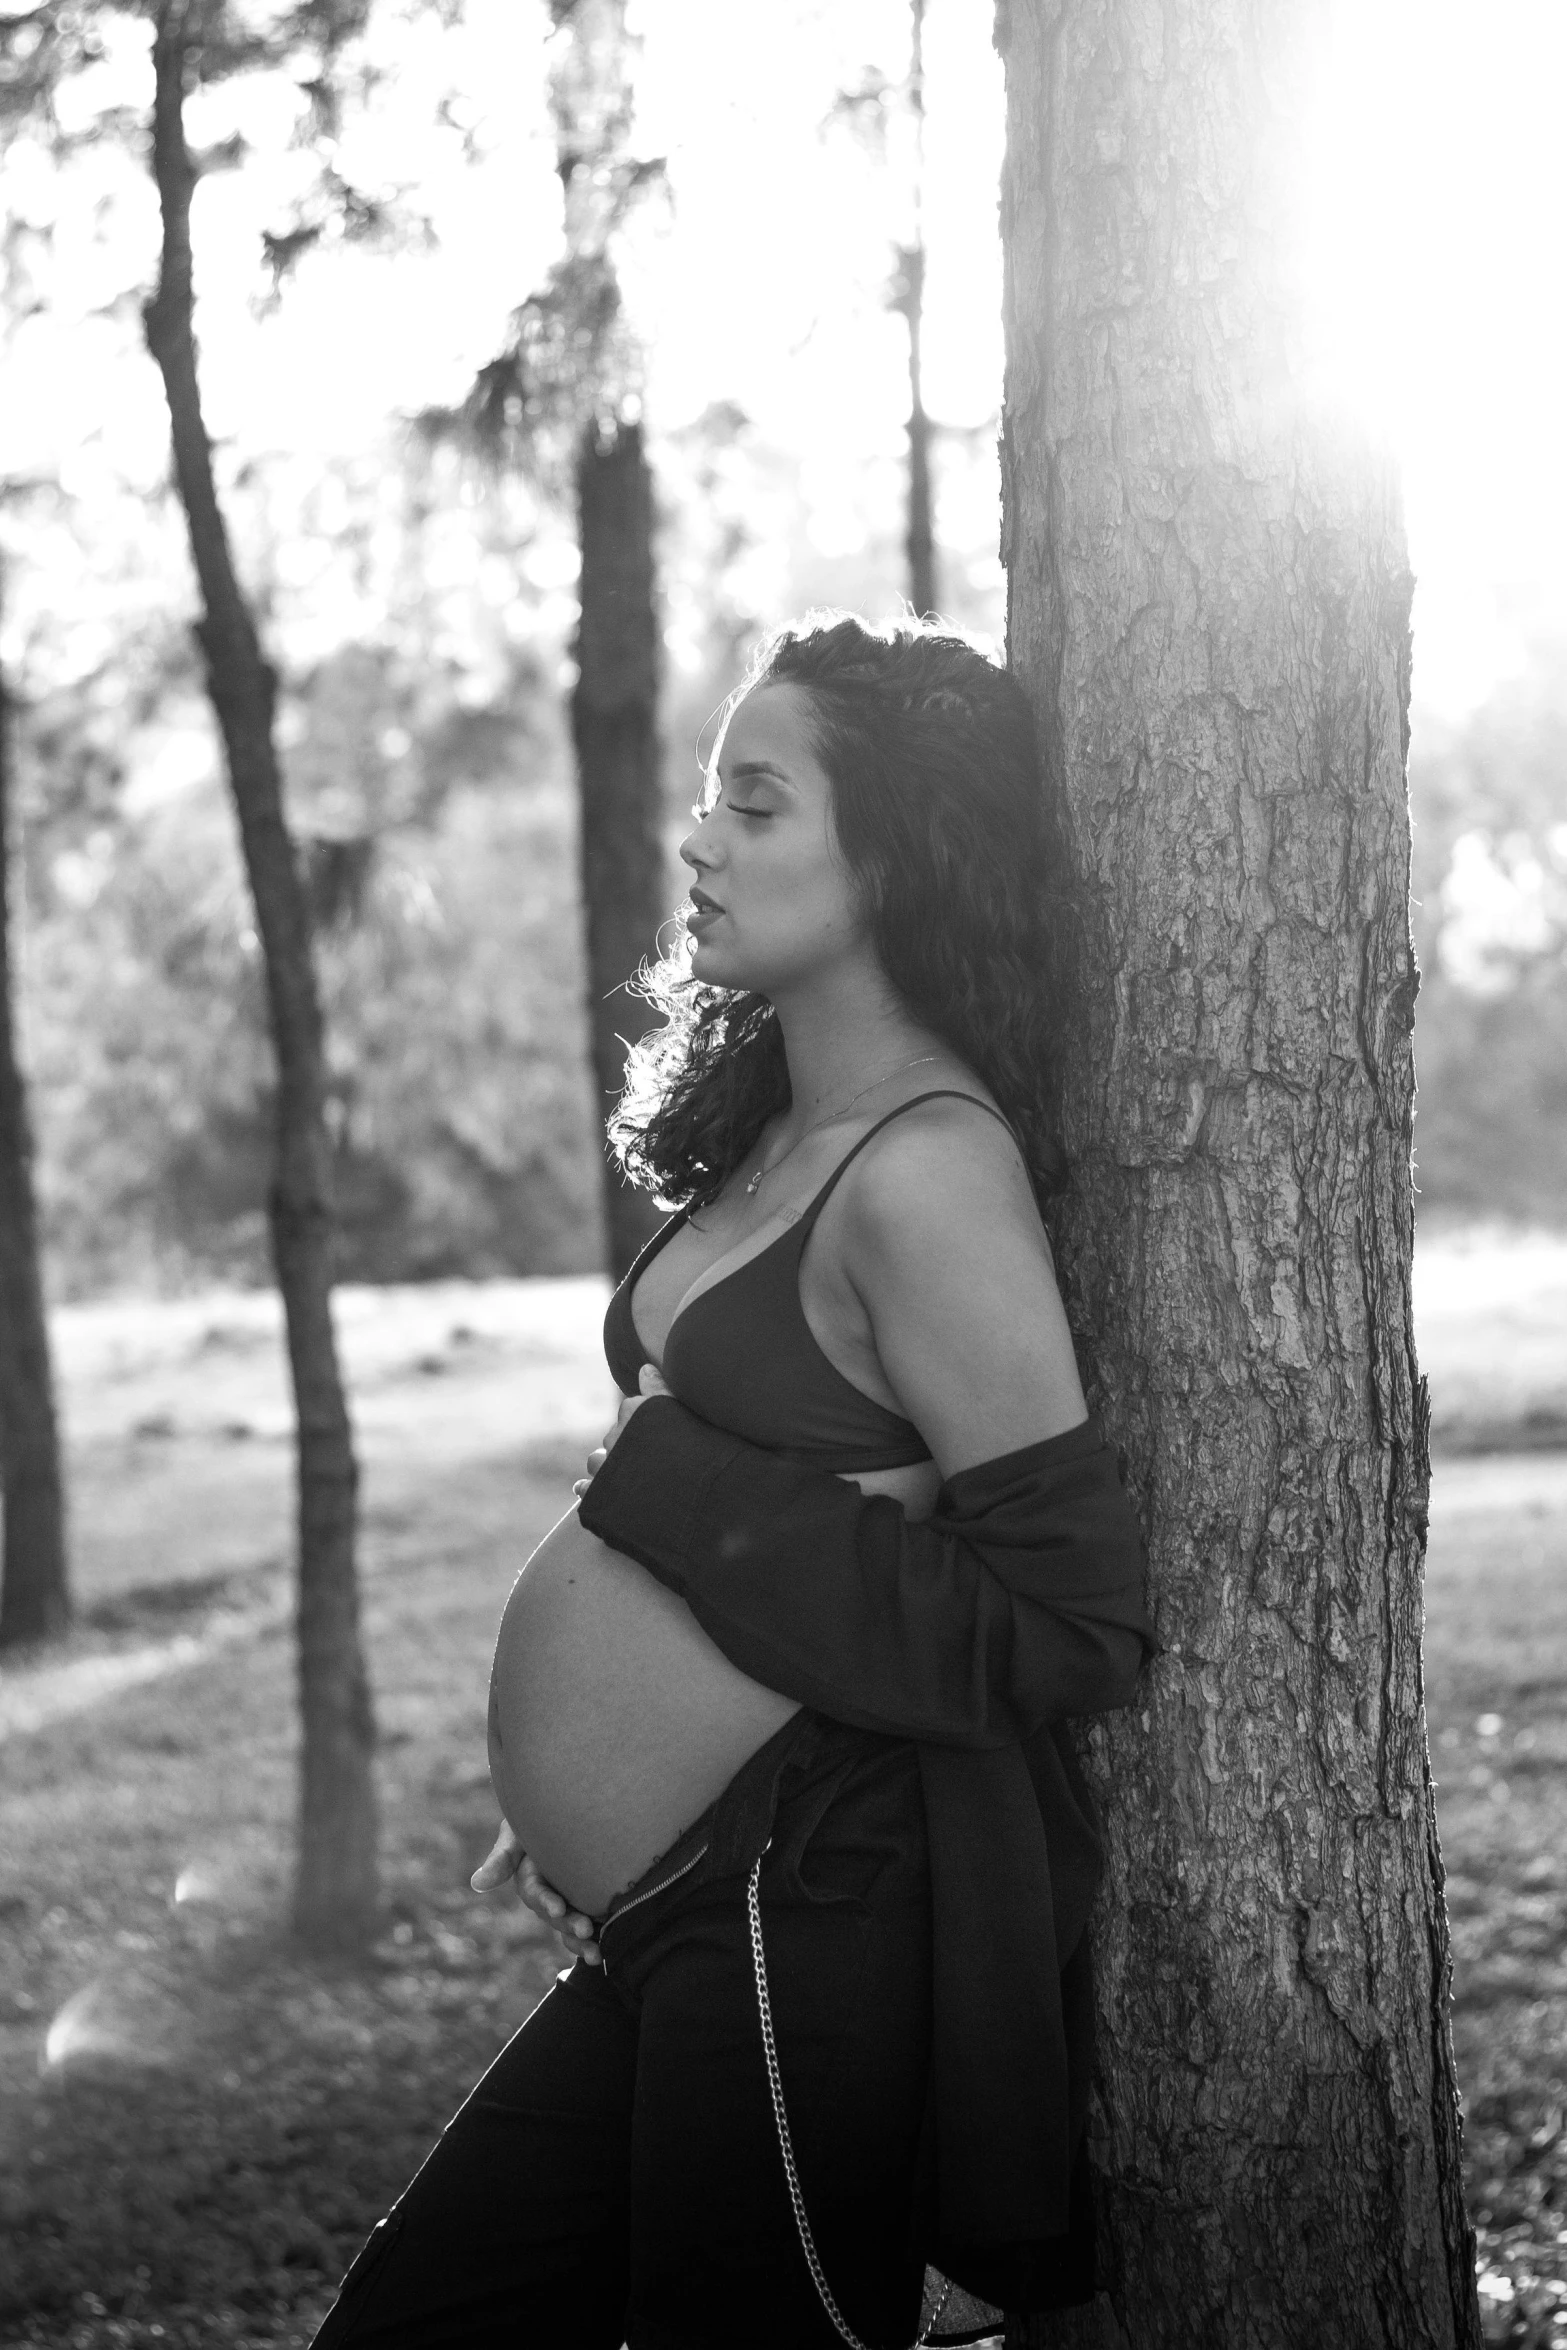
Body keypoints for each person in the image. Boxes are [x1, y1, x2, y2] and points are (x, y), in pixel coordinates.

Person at [309, 613, 1155, 2350]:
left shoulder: (930, 1172)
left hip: (807, 1909)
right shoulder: (778, 1127)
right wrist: (591, 1754)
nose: (700, 842)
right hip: (676, 1905)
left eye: (757, 805)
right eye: (708, 800)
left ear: (893, 850)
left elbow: (1069, 1618)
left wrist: (676, 1495)